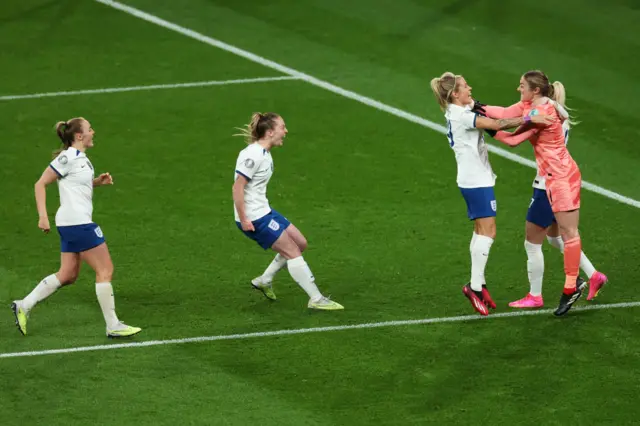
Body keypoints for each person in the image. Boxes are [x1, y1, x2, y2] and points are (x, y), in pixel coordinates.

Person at [481, 70, 604, 315]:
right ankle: (583, 280)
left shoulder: (542, 112)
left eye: (522, 85)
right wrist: (476, 107)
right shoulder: (535, 106)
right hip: (550, 179)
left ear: (536, 90)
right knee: (556, 237)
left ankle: (571, 286)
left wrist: (480, 123)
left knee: (568, 234)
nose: (518, 89)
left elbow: (510, 130)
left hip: (561, 177)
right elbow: (507, 115)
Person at [430, 72, 552, 316]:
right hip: (476, 181)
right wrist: (532, 116)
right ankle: (474, 287)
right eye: (465, 87)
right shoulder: (463, 116)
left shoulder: (457, 112)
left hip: (472, 179)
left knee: (480, 232)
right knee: (489, 232)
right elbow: (498, 125)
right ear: (455, 94)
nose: (470, 88)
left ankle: (478, 284)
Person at [11, 118, 142, 338]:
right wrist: (43, 216)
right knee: (105, 270)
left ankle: (24, 304)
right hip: (78, 223)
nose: (93, 131)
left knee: (68, 274)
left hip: (71, 223)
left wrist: (97, 182)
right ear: (79, 136)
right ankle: (113, 325)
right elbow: (40, 183)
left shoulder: (81, 159)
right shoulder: (68, 157)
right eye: (89, 129)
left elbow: (75, 184)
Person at [232, 112, 343, 310]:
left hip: (264, 211)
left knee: (300, 243)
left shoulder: (264, 153)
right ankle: (316, 298)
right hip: (255, 218)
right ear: (270, 132)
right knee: (292, 252)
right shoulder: (252, 155)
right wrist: (244, 218)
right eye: (282, 127)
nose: (286, 131)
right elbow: (237, 187)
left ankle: (265, 280)